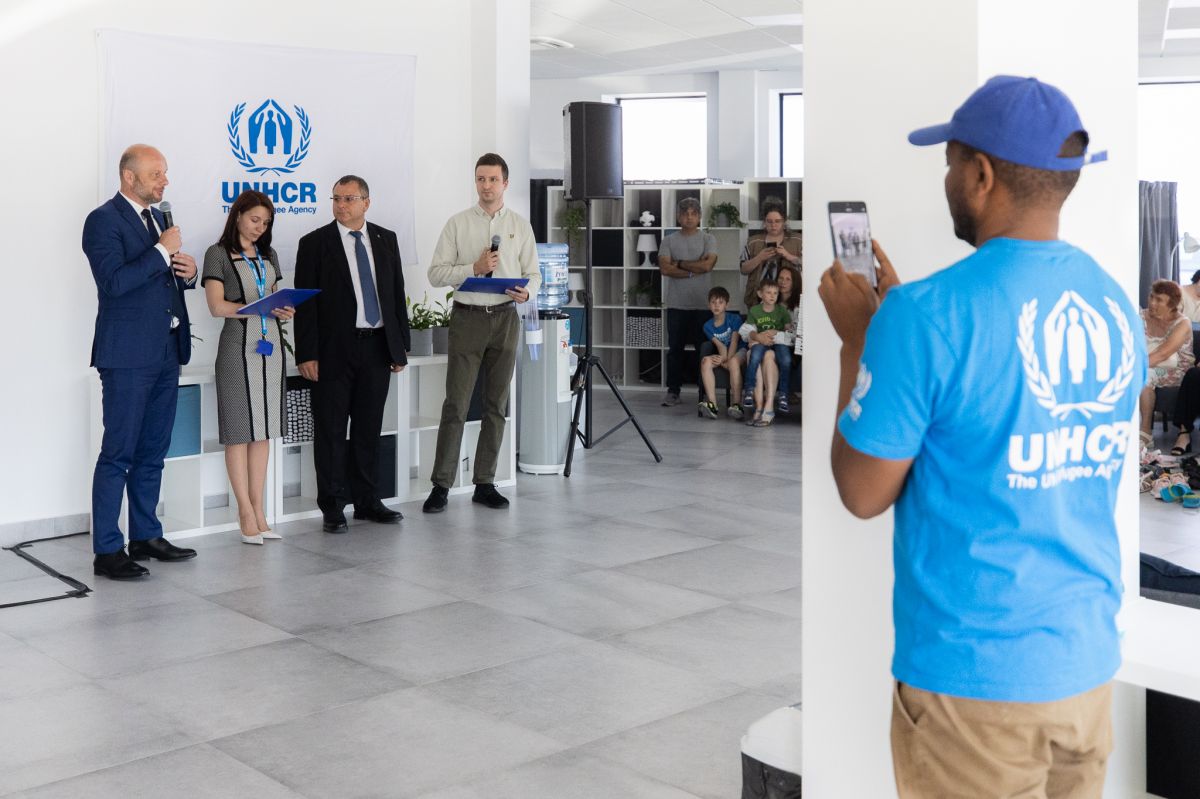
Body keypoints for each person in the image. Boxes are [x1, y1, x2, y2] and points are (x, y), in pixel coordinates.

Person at [817, 76, 1145, 797]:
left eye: (950, 163)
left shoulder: (921, 315)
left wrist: (859, 342)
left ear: (982, 174)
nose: (947, 180)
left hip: (974, 686)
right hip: (1086, 669)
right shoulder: (1115, 304)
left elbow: (862, 491)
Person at [83, 143, 199, 580]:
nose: (164, 181)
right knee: (119, 453)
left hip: (165, 351)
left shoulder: (158, 220)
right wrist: (162, 252)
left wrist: (185, 273)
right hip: (127, 356)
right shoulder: (102, 220)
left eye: (164, 173)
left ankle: (146, 535)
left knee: (153, 450)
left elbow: (158, 283)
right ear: (129, 177)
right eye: (156, 174)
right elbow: (114, 282)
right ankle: (107, 549)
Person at [423, 153, 540, 513]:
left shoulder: (520, 226)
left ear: (505, 183)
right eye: (480, 179)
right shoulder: (457, 224)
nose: (486, 186)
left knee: (496, 404)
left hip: (505, 319)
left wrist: (527, 294)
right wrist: (472, 267)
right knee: (456, 404)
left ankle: (484, 483)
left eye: (492, 179)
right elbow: (435, 274)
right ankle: (441, 485)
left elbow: (534, 275)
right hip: (468, 319)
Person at [294, 175, 410, 533]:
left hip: (376, 346)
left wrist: (399, 347)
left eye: (348, 199)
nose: (340, 205)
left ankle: (367, 500)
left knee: (368, 427)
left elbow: (395, 294)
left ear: (366, 202)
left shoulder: (386, 239)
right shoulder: (314, 243)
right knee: (330, 430)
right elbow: (305, 305)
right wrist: (306, 353)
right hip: (332, 351)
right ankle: (332, 505)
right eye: (336, 199)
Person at [202, 190, 295, 544]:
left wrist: (283, 309)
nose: (260, 227)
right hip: (236, 350)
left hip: (270, 350)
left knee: (264, 431)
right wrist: (257, 308)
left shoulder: (269, 255)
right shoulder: (217, 254)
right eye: (255, 219)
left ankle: (260, 511)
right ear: (238, 215)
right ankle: (244, 512)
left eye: (266, 223)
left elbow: (273, 295)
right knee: (240, 432)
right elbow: (216, 306)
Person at [658, 197, 717, 406]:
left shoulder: (708, 239)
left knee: (704, 350)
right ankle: (673, 391)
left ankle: (705, 393)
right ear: (678, 217)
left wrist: (680, 264)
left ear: (699, 217)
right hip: (676, 304)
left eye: (693, 214)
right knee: (675, 350)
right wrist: (693, 270)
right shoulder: (668, 240)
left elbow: (707, 266)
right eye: (685, 214)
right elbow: (665, 269)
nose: (689, 218)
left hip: (703, 305)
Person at [1139, 279, 1195, 447]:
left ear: (1172, 305)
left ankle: (1145, 432)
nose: (1152, 303)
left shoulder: (1183, 323)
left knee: (1144, 376)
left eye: (1159, 300)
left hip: (1177, 370)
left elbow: (1163, 354)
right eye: (1151, 297)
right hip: (1148, 362)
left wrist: (1132, 368)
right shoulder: (1141, 316)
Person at [742, 278, 792, 427]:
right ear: (760, 294)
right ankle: (755, 401)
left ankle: (771, 404)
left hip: (777, 344)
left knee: (771, 356)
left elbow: (789, 332)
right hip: (760, 344)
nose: (772, 296)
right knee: (753, 354)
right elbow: (747, 331)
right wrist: (757, 337)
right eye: (768, 293)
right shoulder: (755, 311)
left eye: (775, 293)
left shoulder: (782, 310)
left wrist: (776, 333)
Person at [740, 202, 802, 309]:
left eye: (777, 221)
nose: (773, 225)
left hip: (789, 300)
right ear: (764, 222)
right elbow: (743, 269)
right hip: (758, 299)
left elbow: (809, 265)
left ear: (784, 221)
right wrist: (759, 258)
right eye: (769, 221)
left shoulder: (798, 240)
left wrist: (789, 256)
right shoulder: (753, 241)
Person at [698, 286, 743, 420]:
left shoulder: (735, 319)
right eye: (713, 302)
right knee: (705, 361)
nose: (716, 305)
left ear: (726, 305)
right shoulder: (707, 326)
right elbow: (720, 345)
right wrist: (722, 359)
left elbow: (734, 342)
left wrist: (727, 360)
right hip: (723, 353)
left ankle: (737, 405)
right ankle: (712, 405)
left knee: (733, 363)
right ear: (709, 305)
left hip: (739, 351)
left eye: (720, 302)